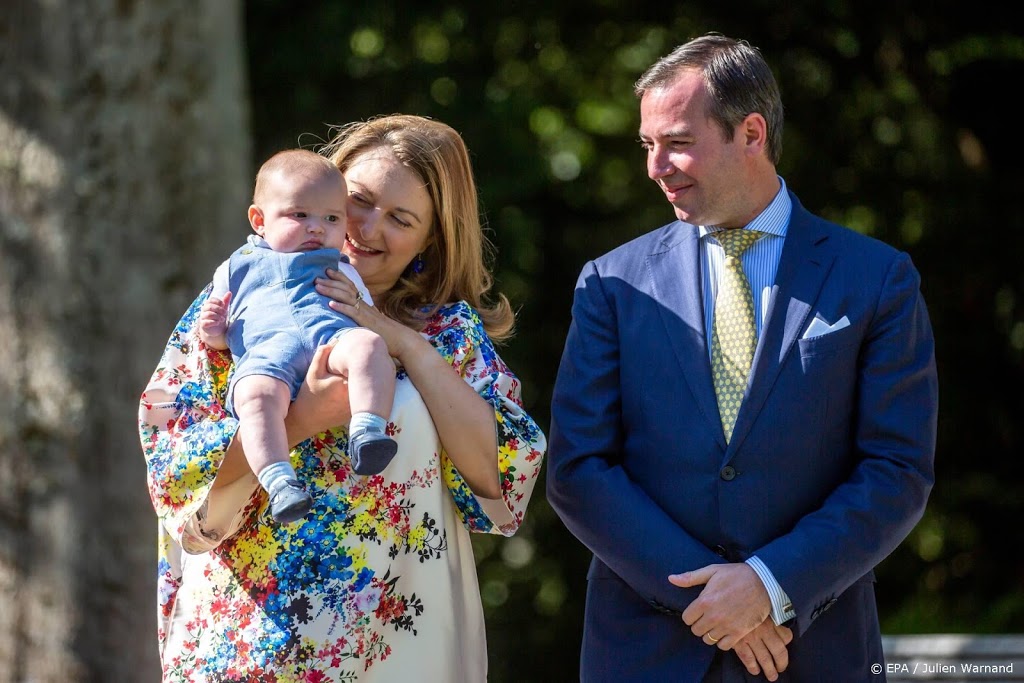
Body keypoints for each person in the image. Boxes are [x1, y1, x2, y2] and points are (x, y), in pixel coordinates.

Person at [546, 33, 937, 682]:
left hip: (812, 652)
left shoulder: (876, 278)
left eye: (677, 142)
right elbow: (578, 467)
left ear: (751, 133)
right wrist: (712, 599)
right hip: (645, 654)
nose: (656, 166)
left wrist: (770, 583)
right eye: (647, 145)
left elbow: (897, 469)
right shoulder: (611, 283)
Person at [139, 114, 547, 682]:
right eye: (358, 200)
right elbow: (175, 472)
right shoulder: (237, 306)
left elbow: (502, 480)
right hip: (253, 644)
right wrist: (304, 416)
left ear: (430, 239)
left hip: (398, 647)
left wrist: (405, 344)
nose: (365, 228)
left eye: (400, 218)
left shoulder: (449, 334)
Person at [200, 149, 399, 524]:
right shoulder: (234, 267)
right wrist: (213, 330)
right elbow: (221, 336)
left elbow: (369, 319)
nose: (317, 228)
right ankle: (279, 482)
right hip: (267, 355)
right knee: (254, 396)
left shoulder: (340, 267)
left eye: (331, 218)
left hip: (331, 338)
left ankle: (368, 430)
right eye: (300, 215)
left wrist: (359, 308)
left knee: (369, 346)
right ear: (260, 220)